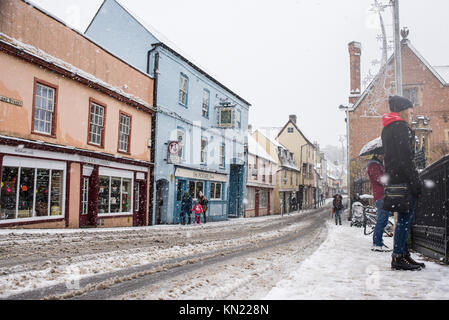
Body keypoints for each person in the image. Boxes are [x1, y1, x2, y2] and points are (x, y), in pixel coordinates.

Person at [381, 95, 425, 270]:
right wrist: (415, 182)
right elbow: (406, 159)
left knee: (403, 219)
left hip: (395, 179)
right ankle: (399, 257)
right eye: (410, 110)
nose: (412, 113)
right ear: (402, 110)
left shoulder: (388, 128)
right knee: (405, 219)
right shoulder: (400, 128)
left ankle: (403, 254)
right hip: (404, 180)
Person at [366, 154, 391, 252]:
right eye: (381, 154)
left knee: (383, 219)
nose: (383, 156)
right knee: (382, 219)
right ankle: (376, 243)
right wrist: (388, 179)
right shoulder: (373, 165)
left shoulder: (378, 164)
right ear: (376, 154)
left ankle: (378, 242)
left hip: (382, 195)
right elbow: (380, 179)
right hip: (380, 195)